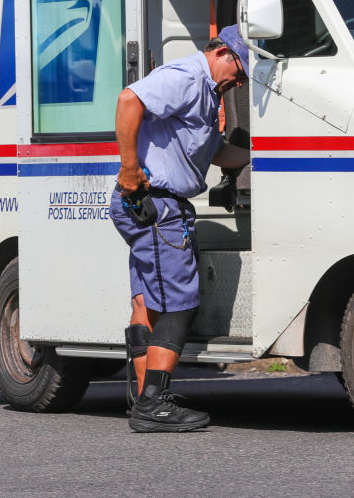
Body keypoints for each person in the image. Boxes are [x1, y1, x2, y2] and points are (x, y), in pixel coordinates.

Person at [110, 24, 250, 433]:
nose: (239, 81)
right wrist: (129, 168)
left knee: (148, 304)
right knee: (179, 304)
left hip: (154, 205)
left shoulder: (209, 94)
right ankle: (154, 402)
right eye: (239, 71)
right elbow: (128, 99)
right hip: (157, 205)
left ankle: (142, 398)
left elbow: (216, 152)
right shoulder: (189, 77)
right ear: (222, 52)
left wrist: (268, 153)